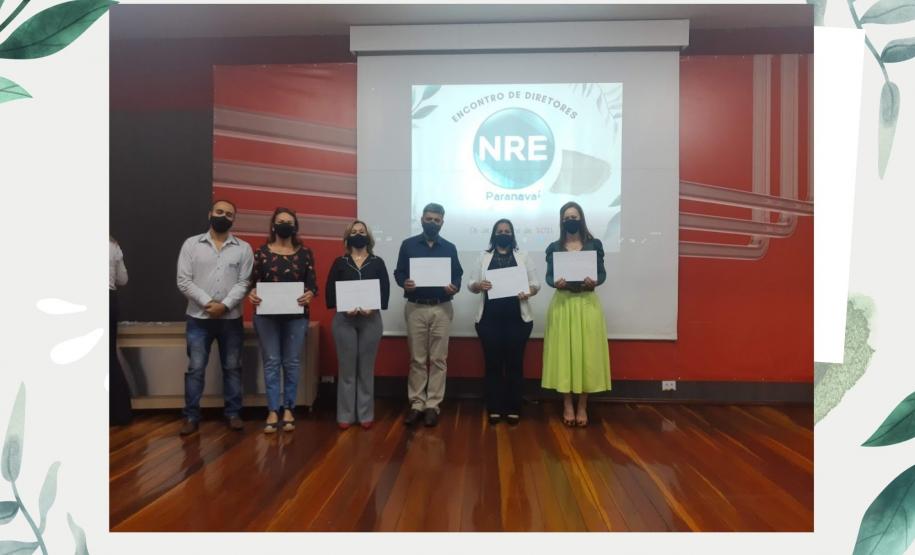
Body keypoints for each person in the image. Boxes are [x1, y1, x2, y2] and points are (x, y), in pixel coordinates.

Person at [176, 199, 254, 435]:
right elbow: (184, 280)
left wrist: (226, 305)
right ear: (210, 213)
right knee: (196, 368)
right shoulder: (191, 245)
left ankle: (233, 413)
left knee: (232, 368)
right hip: (198, 319)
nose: (223, 216)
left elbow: (244, 282)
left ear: (233, 219)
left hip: (231, 320)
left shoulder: (243, 248)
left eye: (229, 214)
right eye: (219, 211)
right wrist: (209, 303)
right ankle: (191, 416)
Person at [247, 208, 317, 434]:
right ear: (273, 225)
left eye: (289, 221)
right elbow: (251, 284)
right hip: (267, 317)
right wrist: (252, 294)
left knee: (292, 362)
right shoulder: (262, 253)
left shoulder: (305, 253)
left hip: (296, 317)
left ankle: (289, 408)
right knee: (271, 363)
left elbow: (312, 285)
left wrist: (310, 294)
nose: (285, 224)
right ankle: (272, 410)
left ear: (295, 226)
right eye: (281, 221)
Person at [393, 203, 463, 427]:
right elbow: (399, 272)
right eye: (429, 218)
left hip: (442, 307)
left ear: (442, 222)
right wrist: (404, 282)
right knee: (417, 359)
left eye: (437, 220)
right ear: (421, 219)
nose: (432, 223)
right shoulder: (408, 245)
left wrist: (455, 286)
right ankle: (416, 403)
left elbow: (457, 275)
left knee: (439, 360)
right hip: (416, 307)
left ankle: (433, 404)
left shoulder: (449, 248)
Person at [542, 201, 611, 427]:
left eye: (575, 216)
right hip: (563, 305)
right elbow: (549, 277)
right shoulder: (554, 247)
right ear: (562, 221)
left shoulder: (594, 244)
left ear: (581, 219)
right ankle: (567, 404)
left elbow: (601, 274)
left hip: (587, 304)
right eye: (567, 217)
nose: (571, 220)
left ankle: (582, 405)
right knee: (565, 353)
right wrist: (556, 282)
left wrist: (596, 280)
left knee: (587, 354)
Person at [467, 219, 540, 425]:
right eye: (500, 231)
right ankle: (494, 407)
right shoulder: (483, 257)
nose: (504, 233)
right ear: (494, 234)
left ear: (513, 234)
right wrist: (479, 285)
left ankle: (514, 406)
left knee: (515, 364)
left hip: (518, 320)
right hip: (489, 320)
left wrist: (528, 291)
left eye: (507, 231)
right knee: (493, 365)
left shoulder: (523, 256)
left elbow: (536, 284)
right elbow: (470, 284)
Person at [325, 220, 390, 430]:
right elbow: (330, 292)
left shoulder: (378, 262)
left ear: (369, 237)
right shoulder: (339, 263)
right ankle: (345, 414)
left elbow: (385, 290)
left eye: (362, 231)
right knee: (347, 370)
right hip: (344, 321)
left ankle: (365, 414)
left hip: (371, 320)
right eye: (354, 232)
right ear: (347, 237)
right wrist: (343, 307)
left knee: (366, 369)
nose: (358, 234)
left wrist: (374, 306)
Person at [109, 236, 132, 426]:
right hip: (108, 300)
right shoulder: (113, 244)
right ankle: (121, 414)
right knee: (109, 357)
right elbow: (123, 279)